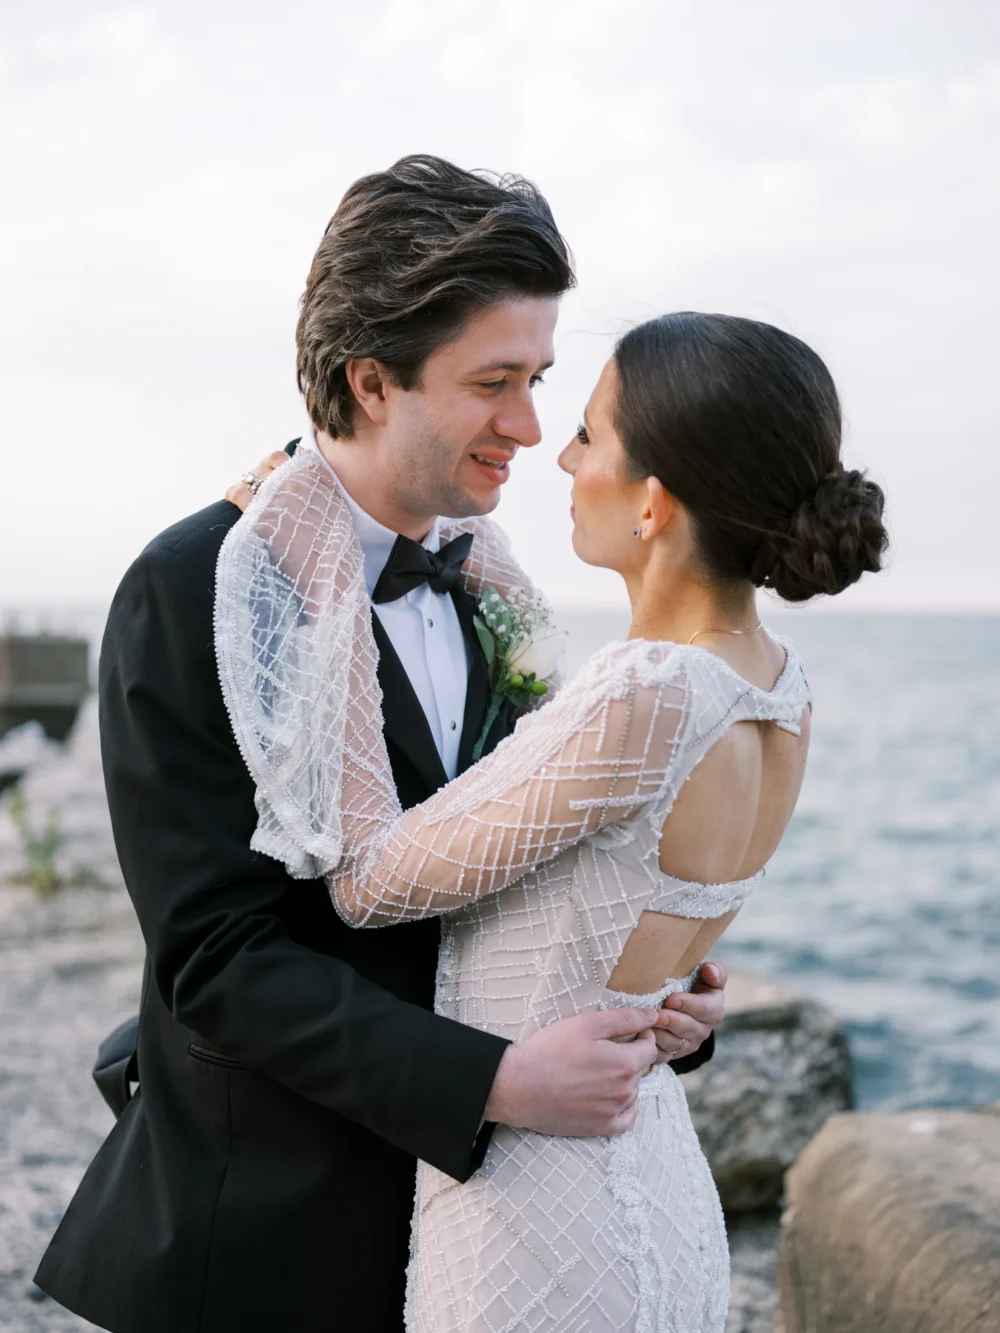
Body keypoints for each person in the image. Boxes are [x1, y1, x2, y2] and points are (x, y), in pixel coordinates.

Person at [34, 157, 726, 1333]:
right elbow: (215, 954)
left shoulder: (485, 587)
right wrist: (497, 1081)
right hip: (271, 1231)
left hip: (477, 1237)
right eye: (495, 382)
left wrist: (650, 986)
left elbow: (510, 874)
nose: (529, 425)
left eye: (540, 378)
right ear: (370, 382)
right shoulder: (192, 584)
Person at [220, 309, 887, 1332]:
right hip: (654, 1181)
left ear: (654, 501)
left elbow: (367, 881)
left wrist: (323, 565)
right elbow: (608, 879)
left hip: (539, 1226)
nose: (561, 455)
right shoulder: (777, 689)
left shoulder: (642, 692)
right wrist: (468, 545)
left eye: (588, 433)